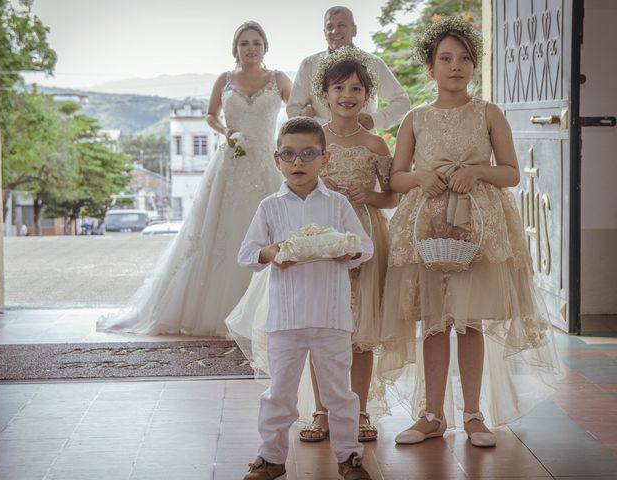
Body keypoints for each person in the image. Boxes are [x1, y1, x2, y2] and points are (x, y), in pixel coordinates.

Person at [377, 17, 560, 447]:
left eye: (463, 58)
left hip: (477, 232)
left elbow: (511, 173)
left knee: (470, 322)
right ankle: (431, 415)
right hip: (427, 232)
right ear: (430, 67)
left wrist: (477, 171)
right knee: (434, 323)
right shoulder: (416, 119)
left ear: (474, 65)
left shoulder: (488, 113)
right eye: (445, 58)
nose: (454, 66)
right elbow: (395, 178)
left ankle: (475, 415)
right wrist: (422, 179)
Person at [97, 21, 292, 336]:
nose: (251, 48)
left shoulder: (278, 79)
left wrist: (287, 144)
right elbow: (211, 114)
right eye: (244, 43)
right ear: (235, 49)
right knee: (224, 230)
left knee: (268, 227)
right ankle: (217, 310)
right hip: (231, 162)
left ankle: (269, 310)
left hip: (266, 163)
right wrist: (224, 131)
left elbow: (296, 111)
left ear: (265, 47)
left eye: (256, 42)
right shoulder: (225, 80)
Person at [240, 117, 373, 480]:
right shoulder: (270, 206)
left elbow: (364, 246)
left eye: (308, 154)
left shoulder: (337, 204)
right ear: (276, 159)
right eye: (289, 154)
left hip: (331, 317)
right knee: (279, 393)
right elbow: (247, 254)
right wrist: (272, 252)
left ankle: (349, 457)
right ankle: (271, 458)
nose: (298, 162)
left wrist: (348, 251)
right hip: (285, 318)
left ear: (324, 159)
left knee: (338, 394)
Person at [295, 47, 398, 444]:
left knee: (360, 332)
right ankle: (322, 411)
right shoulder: (313, 139)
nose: (347, 95)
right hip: (322, 240)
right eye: (339, 88)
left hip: (366, 237)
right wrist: (320, 188)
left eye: (356, 88)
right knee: (323, 327)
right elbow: (296, 181)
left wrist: (367, 196)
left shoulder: (376, 145)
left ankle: (360, 411)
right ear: (325, 94)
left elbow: (391, 196)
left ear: (368, 95)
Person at [286, 6, 410, 131]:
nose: (335, 31)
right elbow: (293, 109)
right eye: (330, 27)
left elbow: (402, 102)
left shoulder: (374, 63)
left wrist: (374, 120)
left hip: (364, 143)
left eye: (342, 25)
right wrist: (311, 121)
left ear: (354, 30)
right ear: (324, 33)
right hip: (322, 144)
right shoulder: (309, 65)